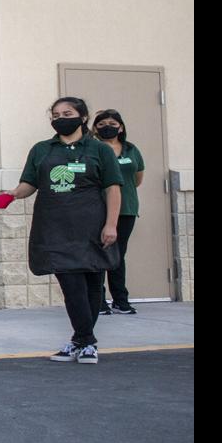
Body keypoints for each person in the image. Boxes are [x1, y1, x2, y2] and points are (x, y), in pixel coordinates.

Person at [8, 97, 121, 364]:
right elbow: (29, 184)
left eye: (67, 114)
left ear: (83, 117)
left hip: (91, 226)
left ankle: (81, 341)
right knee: (71, 284)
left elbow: (113, 188)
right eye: (56, 115)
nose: (60, 119)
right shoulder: (41, 150)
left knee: (93, 283)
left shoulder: (100, 150)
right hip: (54, 227)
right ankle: (87, 341)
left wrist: (111, 224)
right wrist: (11, 194)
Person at [91, 109, 144, 315]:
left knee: (118, 255)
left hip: (127, 208)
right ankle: (98, 301)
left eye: (113, 124)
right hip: (97, 209)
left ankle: (120, 300)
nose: (108, 127)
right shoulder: (92, 149)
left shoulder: (131, 149)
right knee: (98, 254)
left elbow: (137, 178)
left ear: (121, 127)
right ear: (95, 128)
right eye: (102, 124)